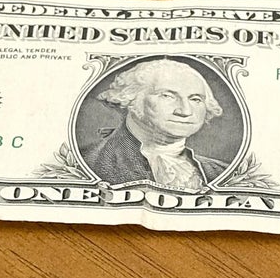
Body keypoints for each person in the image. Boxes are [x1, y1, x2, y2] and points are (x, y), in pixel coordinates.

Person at [82, 58, 230, 190]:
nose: (185, 111)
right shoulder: (88, 162)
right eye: (167, 96)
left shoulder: (223, 172)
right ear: (131, 98)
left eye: (196, 99)